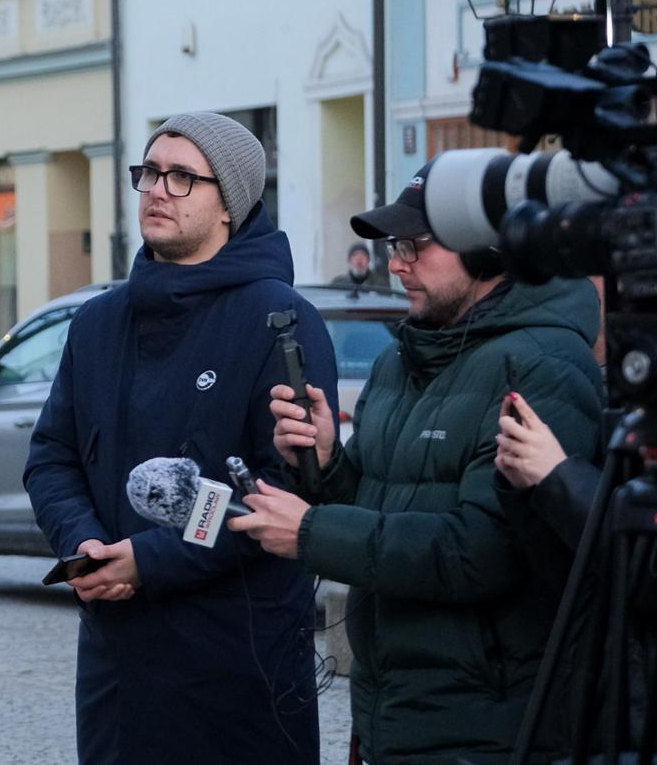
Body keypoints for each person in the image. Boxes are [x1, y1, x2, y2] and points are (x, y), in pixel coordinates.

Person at [228, 158, 607, 764]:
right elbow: (382, 507)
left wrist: (309, 532)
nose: (395, 263)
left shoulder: (541, 365)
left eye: (415, 245)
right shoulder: (398, 361)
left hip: (489, 724)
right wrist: (328, 464)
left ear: (487, 251)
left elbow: (477, 551)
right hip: (391, 713)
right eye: (393, 246)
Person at [26, 112, 336, 764]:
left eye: (182, 177)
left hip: (236, 668)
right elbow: (53, 457)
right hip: (120, 667)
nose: (157, 189)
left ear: (231, 203)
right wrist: (84, 543)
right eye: (149, 172)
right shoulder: (98, 323)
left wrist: (152, 558)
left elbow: (274, 488)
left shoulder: (281, 321)